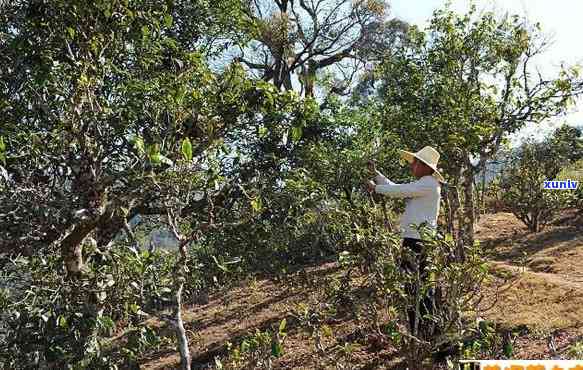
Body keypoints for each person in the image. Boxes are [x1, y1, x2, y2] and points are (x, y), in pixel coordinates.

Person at [366, 146, 445, 338]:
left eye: (415, 162)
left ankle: (427, 334)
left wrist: (375, 188)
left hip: (418, 241)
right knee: (415, 287)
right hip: (415, 240)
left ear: (425, 166)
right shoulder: (424, 184)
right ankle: (424, 333)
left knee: (416, 288)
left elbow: (399, 191)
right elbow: (397, 188)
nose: (412, 166)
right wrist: (376, 175)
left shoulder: (427, 184)